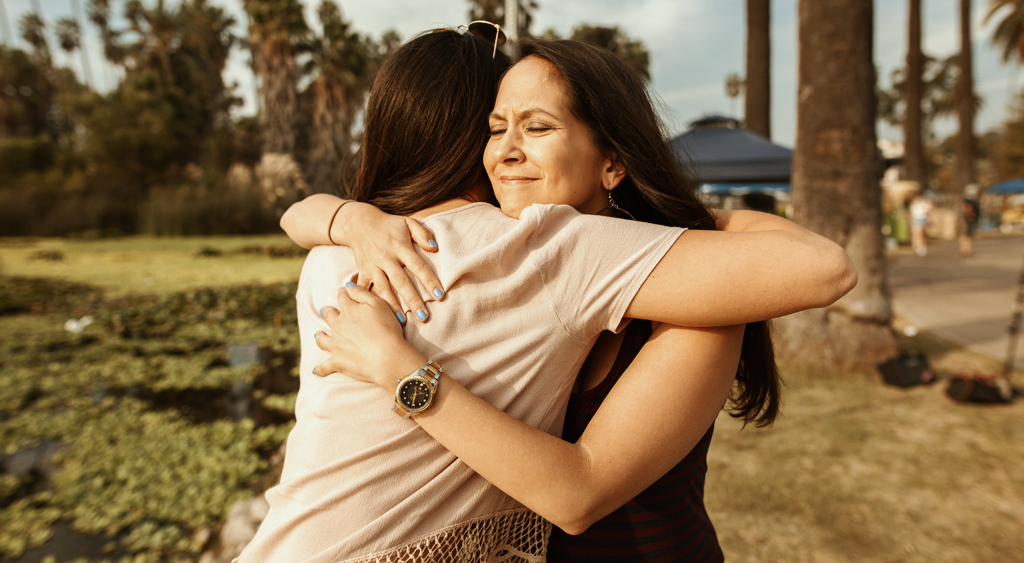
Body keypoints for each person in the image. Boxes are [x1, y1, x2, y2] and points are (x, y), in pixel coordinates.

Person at [250, 32, 855, 562]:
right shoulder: (509, 259)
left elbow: (824, 268)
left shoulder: (652, 291)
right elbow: (298, 216)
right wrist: (354, 219)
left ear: (613, 161)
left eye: (538, 127)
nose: (506, 150)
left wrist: (401, 370)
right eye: (493, 129)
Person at [960, 184, 980, 257]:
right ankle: (966, 249)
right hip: (970, 219)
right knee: (968, 235)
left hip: (971, 218)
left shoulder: (971, 200)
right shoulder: (969, 201)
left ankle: (967, 249)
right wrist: (971, 216)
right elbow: (966, 209)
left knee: (969, 235)